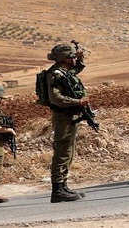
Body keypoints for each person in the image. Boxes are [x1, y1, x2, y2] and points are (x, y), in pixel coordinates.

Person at [46, 43, 90, 203]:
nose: (73, 59)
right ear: (62, 58)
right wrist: (77, 102)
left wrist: (80, 58)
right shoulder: (55, 74)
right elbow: (55, 98)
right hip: (62, 117)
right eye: (70, 56)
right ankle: (57, 190)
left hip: (69, 116)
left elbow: (76, 69)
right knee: (62, 152)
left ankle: (63, 186)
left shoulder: (64, 71)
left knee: (68, 152)